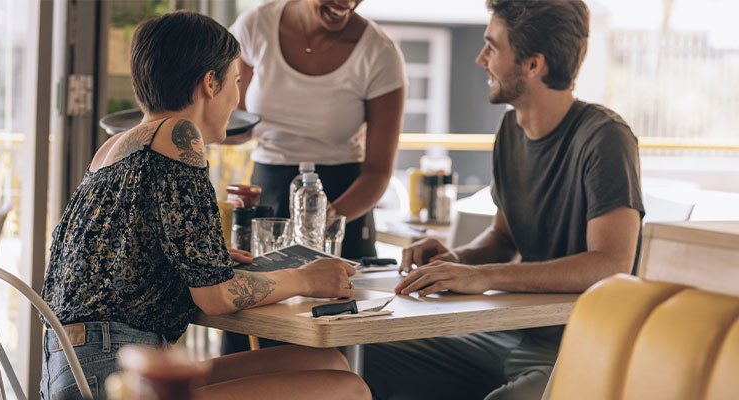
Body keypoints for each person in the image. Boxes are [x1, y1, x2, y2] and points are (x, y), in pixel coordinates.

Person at [40, 11, 370, 400]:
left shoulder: (114, 148)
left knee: (326, 363)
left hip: (77, 367)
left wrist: (204, 258)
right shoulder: (178, 133)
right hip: (115, 376)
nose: (237, 99)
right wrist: (308, 278)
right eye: (236, 82)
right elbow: (215, 298)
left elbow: (122, 258)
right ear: (209, 83)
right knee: (348, 389)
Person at [362, 1, 644, 399]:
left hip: (576, 345)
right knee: (362, 361)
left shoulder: (605, 137)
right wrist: (455, 260)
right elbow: (502, 238)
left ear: (533, 65)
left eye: (492, 47)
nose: (481, 59)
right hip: (506, 332)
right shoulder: (511, 130)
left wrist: (485, 276)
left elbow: (610, 265)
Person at [223, 0, 406, 261]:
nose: (347, 3)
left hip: (345, 202)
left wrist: (322, 221)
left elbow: (378, 171)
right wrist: (191, 129)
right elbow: (237, 124)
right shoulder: (255, 26)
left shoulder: (379, 52)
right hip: (268, 198)